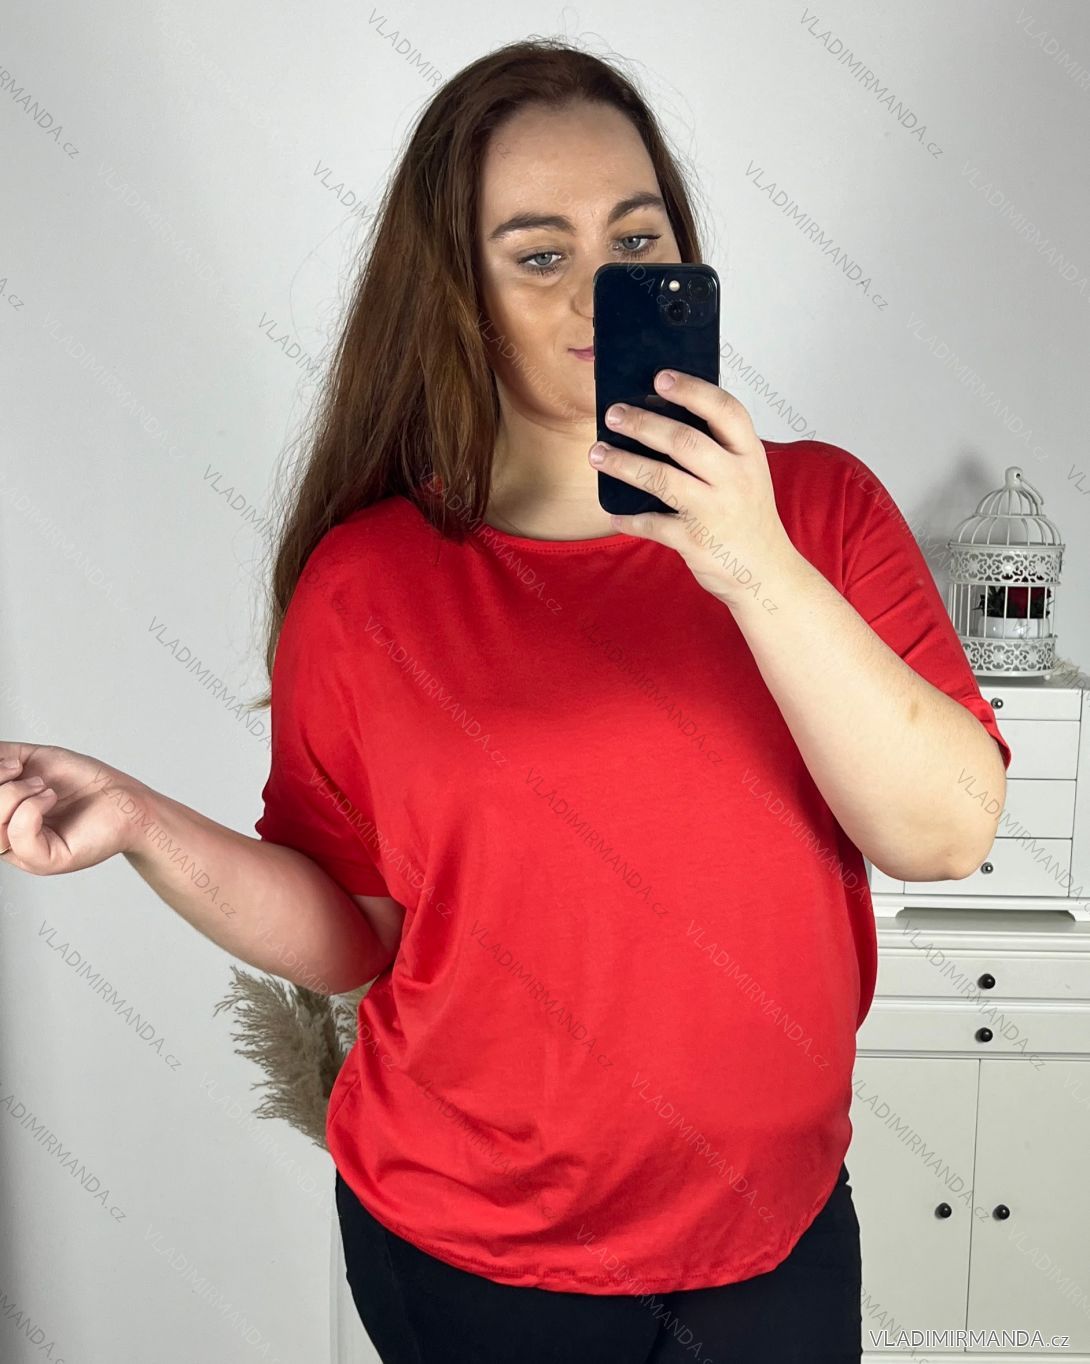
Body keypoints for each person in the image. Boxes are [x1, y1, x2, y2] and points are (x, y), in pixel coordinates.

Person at [0, 36, 1011, 1364]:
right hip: (470, 1252)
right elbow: (353, 931)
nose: (601, 288)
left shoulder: (817, 512)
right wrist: (141, 822)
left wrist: (749, 561)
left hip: (773, 1229)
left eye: (635, 239)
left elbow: (944, 832)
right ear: (456, 294)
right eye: (538, 255)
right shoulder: (368, 583)